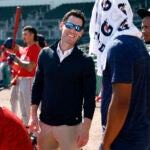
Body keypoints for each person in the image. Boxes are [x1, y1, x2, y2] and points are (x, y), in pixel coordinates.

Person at [29, 9, 96, 150]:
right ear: (61, 26)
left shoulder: (86, 61)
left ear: (81, 32)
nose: (72, 30)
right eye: (69, 25)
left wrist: (85, 128)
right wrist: (33, 115)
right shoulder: (45, 54)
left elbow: (89, 98)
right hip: (45, 126)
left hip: (70, 127)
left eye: (77, 28)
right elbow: (37, 86)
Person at [89, 0, 150, 150]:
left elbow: (121, 102)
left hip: (124, 140)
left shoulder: (119, 47)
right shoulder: (137, 43)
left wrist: (106, 143)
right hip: (140, 135)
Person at [8, 26, 41, 127]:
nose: (23, 37)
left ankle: (35, 132)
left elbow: (30, 67)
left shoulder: (35, 49)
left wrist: (17, 60)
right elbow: (21, 68)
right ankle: (26, 130)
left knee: (30, 109)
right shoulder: (25, 49)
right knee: (23, 110)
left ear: (32, 35)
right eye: (23, 34)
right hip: (22, 81)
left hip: (30, 80)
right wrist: (13, 63)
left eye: (25, 34)